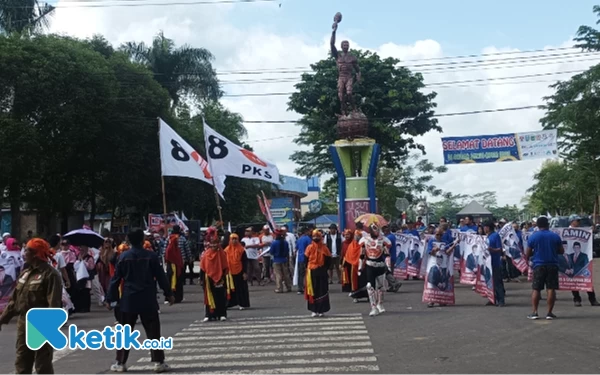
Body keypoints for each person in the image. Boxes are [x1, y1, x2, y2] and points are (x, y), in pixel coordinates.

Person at [106, 228, 173, 373]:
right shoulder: (151, 256)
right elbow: (161, 277)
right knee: (153, 332)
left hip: (129, 299)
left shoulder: (123, 257)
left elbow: (115, 280)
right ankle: (158, 362)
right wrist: (169, 294)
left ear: (129, 241)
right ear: (143, 240)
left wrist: (109, 298)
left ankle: (120, 362)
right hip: (148, 298)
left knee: (125, 333)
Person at [0, 238, 62, 375]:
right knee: (22, 362)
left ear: (35, 254)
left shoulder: (50, 275)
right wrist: (2, 319)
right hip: (24, 323)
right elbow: (14, 301)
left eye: (27, 250)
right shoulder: (25, 273)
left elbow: (54, 304)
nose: (23, 253)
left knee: (42, 365)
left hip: (42, 324)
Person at [525, 216, 563, 320]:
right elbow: (561, 251)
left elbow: (527, 253)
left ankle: (534, 312)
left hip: (538, 265)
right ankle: (549, 313)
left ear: (537, 225)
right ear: (548, 224)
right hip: (552, 265)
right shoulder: (555, 236)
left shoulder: (533, 236)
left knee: (536, 289)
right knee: (551, 289)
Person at [330, 14, 361, 116]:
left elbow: (357, 69)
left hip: (349, 77)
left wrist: (358, 76)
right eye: (344, 45)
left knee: (348, 93)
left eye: (347, 45)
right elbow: (331, 44)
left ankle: (354, 108)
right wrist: (334, 32)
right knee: (340, 96)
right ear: (341, 46)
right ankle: (343, 111)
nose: (345, 46)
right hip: (341, 77)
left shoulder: (352, 57)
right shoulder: (338, 56)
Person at [567, 215, 599, 306]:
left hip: (582, 260)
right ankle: (577, 299)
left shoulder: (582, 230)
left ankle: (592, 299)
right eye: (577, 220)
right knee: (573, 282)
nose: (578, 222)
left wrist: (592, 228)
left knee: (587, 279)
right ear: (572, 221)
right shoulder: (565, 231)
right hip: (571, 260)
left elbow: (593, 231)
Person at [359, 225, 391, 316]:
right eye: (374, 229)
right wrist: (360, 267)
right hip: (370, 265)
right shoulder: (364, 239)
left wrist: (388, 266)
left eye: (377, 229)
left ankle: (380, 303)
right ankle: (373, 307)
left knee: (381, 286)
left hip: (380, 265)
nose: (376, 231)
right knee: (370, 286)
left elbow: (387, 254)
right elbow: (362, 255)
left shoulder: (383, 240)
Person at [200, 229, 229, 322]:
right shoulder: (206, 254)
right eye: (212, 243)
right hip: (208, 278)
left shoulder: (222, 253)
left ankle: (222, 314)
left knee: (220, 296)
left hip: (220, 277)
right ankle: (209, 315)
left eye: (215, 243)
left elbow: (225, 266)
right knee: (208, 296)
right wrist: (201, 279)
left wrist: (222, 278)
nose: (213, 245)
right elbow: (202, 267)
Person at [304, 230, 332, 317]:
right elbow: (305, 260)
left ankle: (321, 311)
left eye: (317, 236)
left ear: (320, 237)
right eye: (314, 236)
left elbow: (328, 261)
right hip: (311, 271)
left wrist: (323, 269)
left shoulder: (325, 248)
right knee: (313, 290)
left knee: (322, 290)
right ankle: (313, 310)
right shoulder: (309, 247)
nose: (316, 238)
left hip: (321, 271)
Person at [224, 233, 250, 310]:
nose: (234, 241)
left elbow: (244, 261)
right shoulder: (226, 250)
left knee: (240, 288)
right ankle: (228, 303)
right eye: (233, 239)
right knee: (230, 288)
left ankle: (242, 303)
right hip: (229, 272)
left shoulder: (241, 250)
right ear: (230, 240)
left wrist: (245, 272)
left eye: (236, 239)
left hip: (240, 271)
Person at [483, 221, 505, 307]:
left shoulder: (495, 236)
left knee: (497, 282)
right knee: (489, 282)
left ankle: (501, 300)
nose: (484, 229)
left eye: (485, 227)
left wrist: (492, 249)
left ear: (488, 227)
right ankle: (492, 298)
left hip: (495, 262)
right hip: (487, 263)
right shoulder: (486, 236)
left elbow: (500, 249)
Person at [165, 225, 189, 303]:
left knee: (171, 279)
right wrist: (188, 258)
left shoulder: (168, 239)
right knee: (178, 280)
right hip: (180, 263)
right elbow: (187, 249)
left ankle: (171, 296)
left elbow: (164, 251)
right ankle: (176, 297)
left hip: (172, 263)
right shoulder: (182, 238)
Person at [295, 227, 312, 294]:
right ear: (306, 232)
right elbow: (310, 248)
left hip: (300, 258)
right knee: (308, 273)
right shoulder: (308, 239)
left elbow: (296, 248)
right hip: (307, 258)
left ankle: (300, 288)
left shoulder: (299, 239)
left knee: (300, 274)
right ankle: (307, 287)